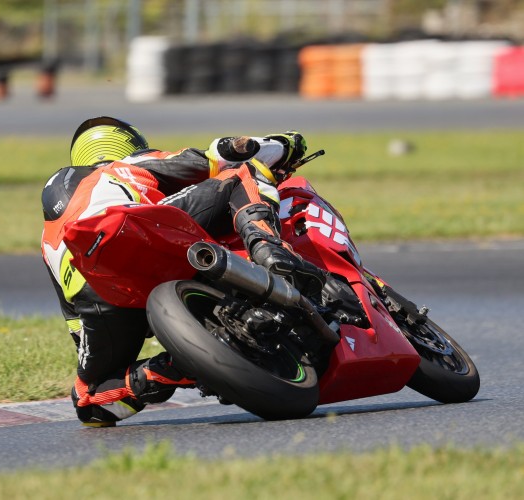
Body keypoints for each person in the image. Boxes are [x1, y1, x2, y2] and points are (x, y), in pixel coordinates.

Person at [41, 116, 325, 426]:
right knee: (242, 173)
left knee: (90, 400)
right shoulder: (126, 165)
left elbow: (75, 322)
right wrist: (286, 144)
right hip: (135, 228)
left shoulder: (49, 236)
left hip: (97, 292)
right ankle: (269, 250)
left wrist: (100, 346)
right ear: (127, 143)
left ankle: (172, 367)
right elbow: (222, 155)